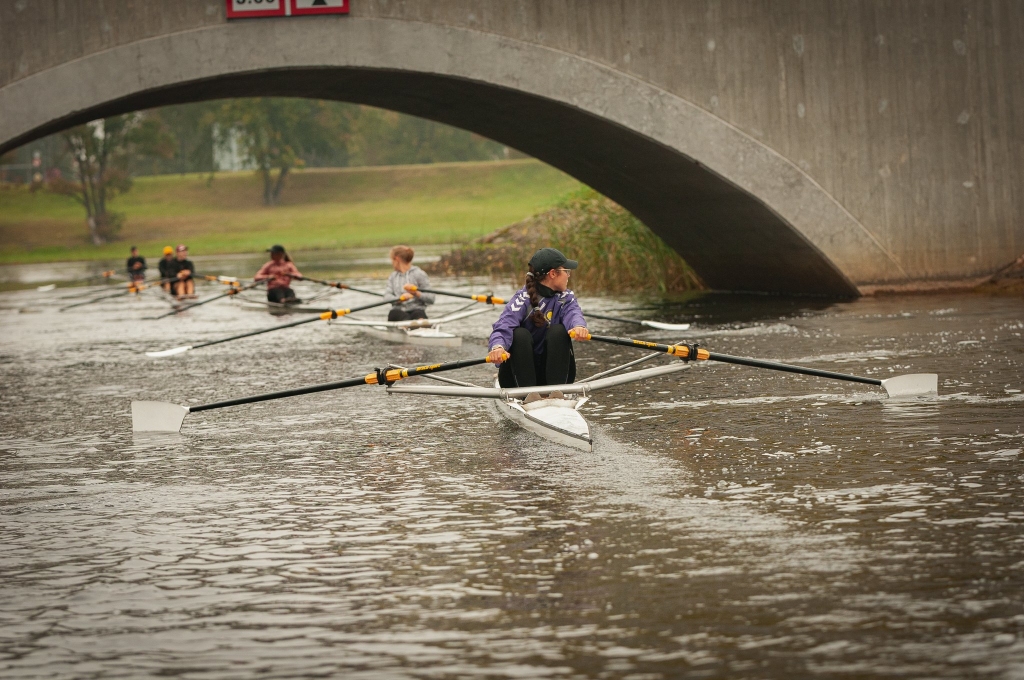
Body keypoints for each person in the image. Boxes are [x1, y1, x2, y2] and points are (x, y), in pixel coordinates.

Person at [487, 248, 589, 388]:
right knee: (519, 335)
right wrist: (497, 347)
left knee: (558, 331)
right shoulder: (521, 299)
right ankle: (528, 393)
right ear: (553, 273)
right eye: (567, 271)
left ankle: (557, 390)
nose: (568, 276)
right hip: (517, 378)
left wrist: (579, 327)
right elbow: (503, 326)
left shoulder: (566, 298)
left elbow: (574, 314)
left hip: (555, 375)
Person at [385, 245, 435, 321]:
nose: (392, 263)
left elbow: (431, 298)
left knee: (419, 314)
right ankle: (408, 325)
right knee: (395, 314)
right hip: (398, 311)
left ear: (397, 259)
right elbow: (387, 297)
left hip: (416, 310)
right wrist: (400, 299)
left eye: (392, 260)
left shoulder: (419, 274)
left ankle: (419, 325)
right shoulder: (393, 277)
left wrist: (416, 293)